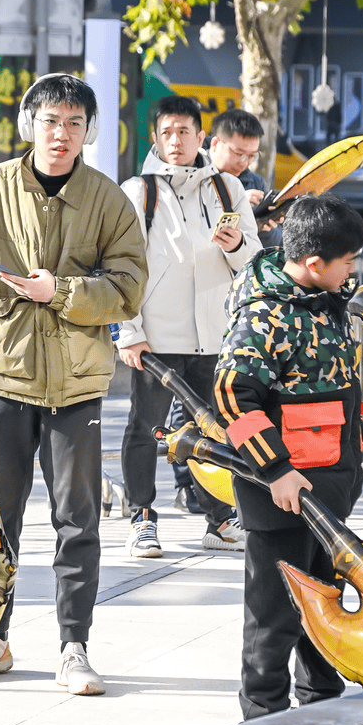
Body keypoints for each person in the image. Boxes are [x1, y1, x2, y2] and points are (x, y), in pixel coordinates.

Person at [0, 73, 145, 694]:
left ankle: (74, 646)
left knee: (77, 520)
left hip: (78, 385)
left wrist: (64, 293)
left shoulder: (108, 199)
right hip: (2, 380)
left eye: (74, 124)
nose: (62, 135)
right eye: (51, 122)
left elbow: (131, 284)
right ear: (30, 125)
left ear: (90, 131)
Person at [213, 194, 363, 720]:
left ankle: (322, 706)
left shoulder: (329, 301)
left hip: (330, 488)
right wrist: (275, 470)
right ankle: (264, 719)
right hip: (281, 497)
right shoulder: (264, 315)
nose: (354, 269)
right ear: (313, 263)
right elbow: (234, 392)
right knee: (273, 618)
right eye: (347, 260)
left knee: (324, 604)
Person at [116, 96, 256, 556]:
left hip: (215, 336)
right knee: (146, 427)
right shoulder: (139, 192)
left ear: (201, 138)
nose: (175, 141)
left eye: (184, 132)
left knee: (215, 431)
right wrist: (130, 331)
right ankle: (142, 516)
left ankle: (218, 519)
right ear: (155, 138)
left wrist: (235, 246)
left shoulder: (227, 191)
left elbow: (253, 262)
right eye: (166, 132)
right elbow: (121, 266)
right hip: (158, 337)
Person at [208, 109, 267, 206]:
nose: (244, 163)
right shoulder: (190, 174)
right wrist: (236, 201)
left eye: (251, 156)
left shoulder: (255, 183)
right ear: (215, 144)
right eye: (239, 154)